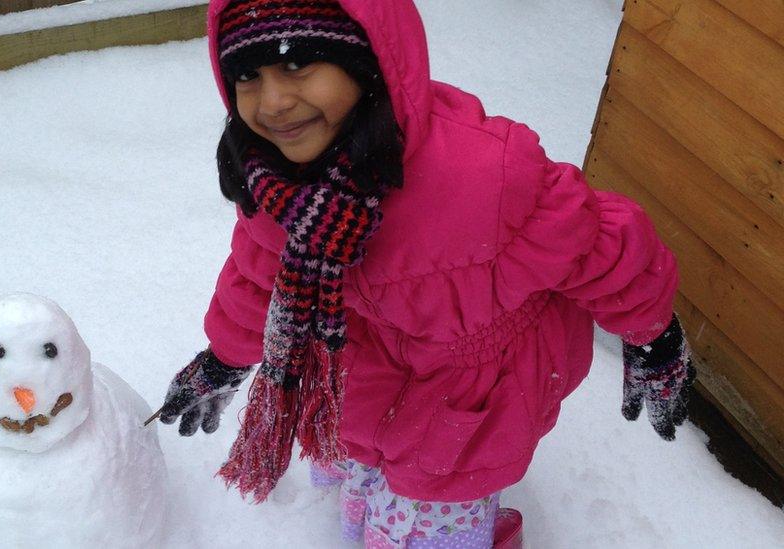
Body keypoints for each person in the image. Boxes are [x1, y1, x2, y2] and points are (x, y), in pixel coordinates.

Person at [157, 1, 695, 547]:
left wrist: (654, 337)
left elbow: (600, 241)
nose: (272, 102)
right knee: (364, 473)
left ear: (365, 62)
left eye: (298, 64)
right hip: (364, 366)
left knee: (430, 519)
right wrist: (224, 357)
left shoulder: (482, 176)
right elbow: (259, 275)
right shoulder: (273, 180)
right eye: (247, 75)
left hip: (473, 388)